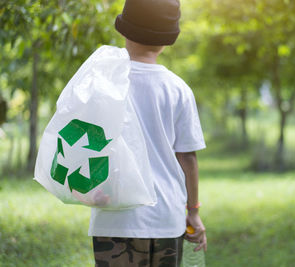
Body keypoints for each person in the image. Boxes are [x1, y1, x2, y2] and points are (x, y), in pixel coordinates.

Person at [88, 0, 207, 266]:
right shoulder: (178, 89)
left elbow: (91, 145)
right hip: (166, 218)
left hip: (114, 217)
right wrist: (193, 211)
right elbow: (187, 158)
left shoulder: (103, 84)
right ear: (167, 40)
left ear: (124, 31)